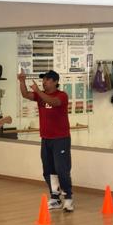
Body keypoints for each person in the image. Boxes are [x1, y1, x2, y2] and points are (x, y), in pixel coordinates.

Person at [18, 70, 73, 211]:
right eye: (43, 80)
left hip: (60, 139)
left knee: (62, 169)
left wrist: (38, 91)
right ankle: (55, 198)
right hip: (46, 139)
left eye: (47, 80)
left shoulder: (62, 95)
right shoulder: (40, 95)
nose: (44, 82)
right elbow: (25, 94)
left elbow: (53, 102)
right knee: (48, 170)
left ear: (55, 82)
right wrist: (22, 81)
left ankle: (68, 198)